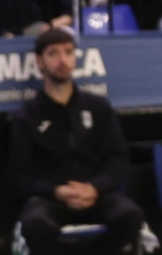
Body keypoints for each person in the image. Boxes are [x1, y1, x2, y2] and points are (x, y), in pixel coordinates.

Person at [9, 28, 144, 255]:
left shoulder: (97, 107)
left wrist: (95, 187)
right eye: (54, 53)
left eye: (68, 52)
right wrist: (57, 191)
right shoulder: (27, 116)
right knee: (34, 224)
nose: (63, 60)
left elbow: (118, 161)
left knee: (130, 216)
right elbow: (18, 177)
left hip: (97, 195)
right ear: (40, 62)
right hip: (51, 199)